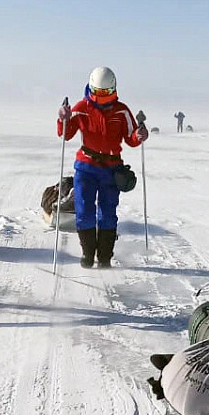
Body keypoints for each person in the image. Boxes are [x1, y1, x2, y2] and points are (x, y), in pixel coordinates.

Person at [57, 66, 148, 268]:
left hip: (111, 168)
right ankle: (88, 255)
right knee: (84, 209)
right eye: (97, 91)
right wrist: (63, 118)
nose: (101, 96)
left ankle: (105, 257)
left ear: (113, 89)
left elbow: (132, 138)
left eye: (105, 92)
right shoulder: (81, 107)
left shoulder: (122, 110)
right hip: (86, 166)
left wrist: (140, 135)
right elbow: (65, 134)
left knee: (108, 212)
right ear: (91, 88)